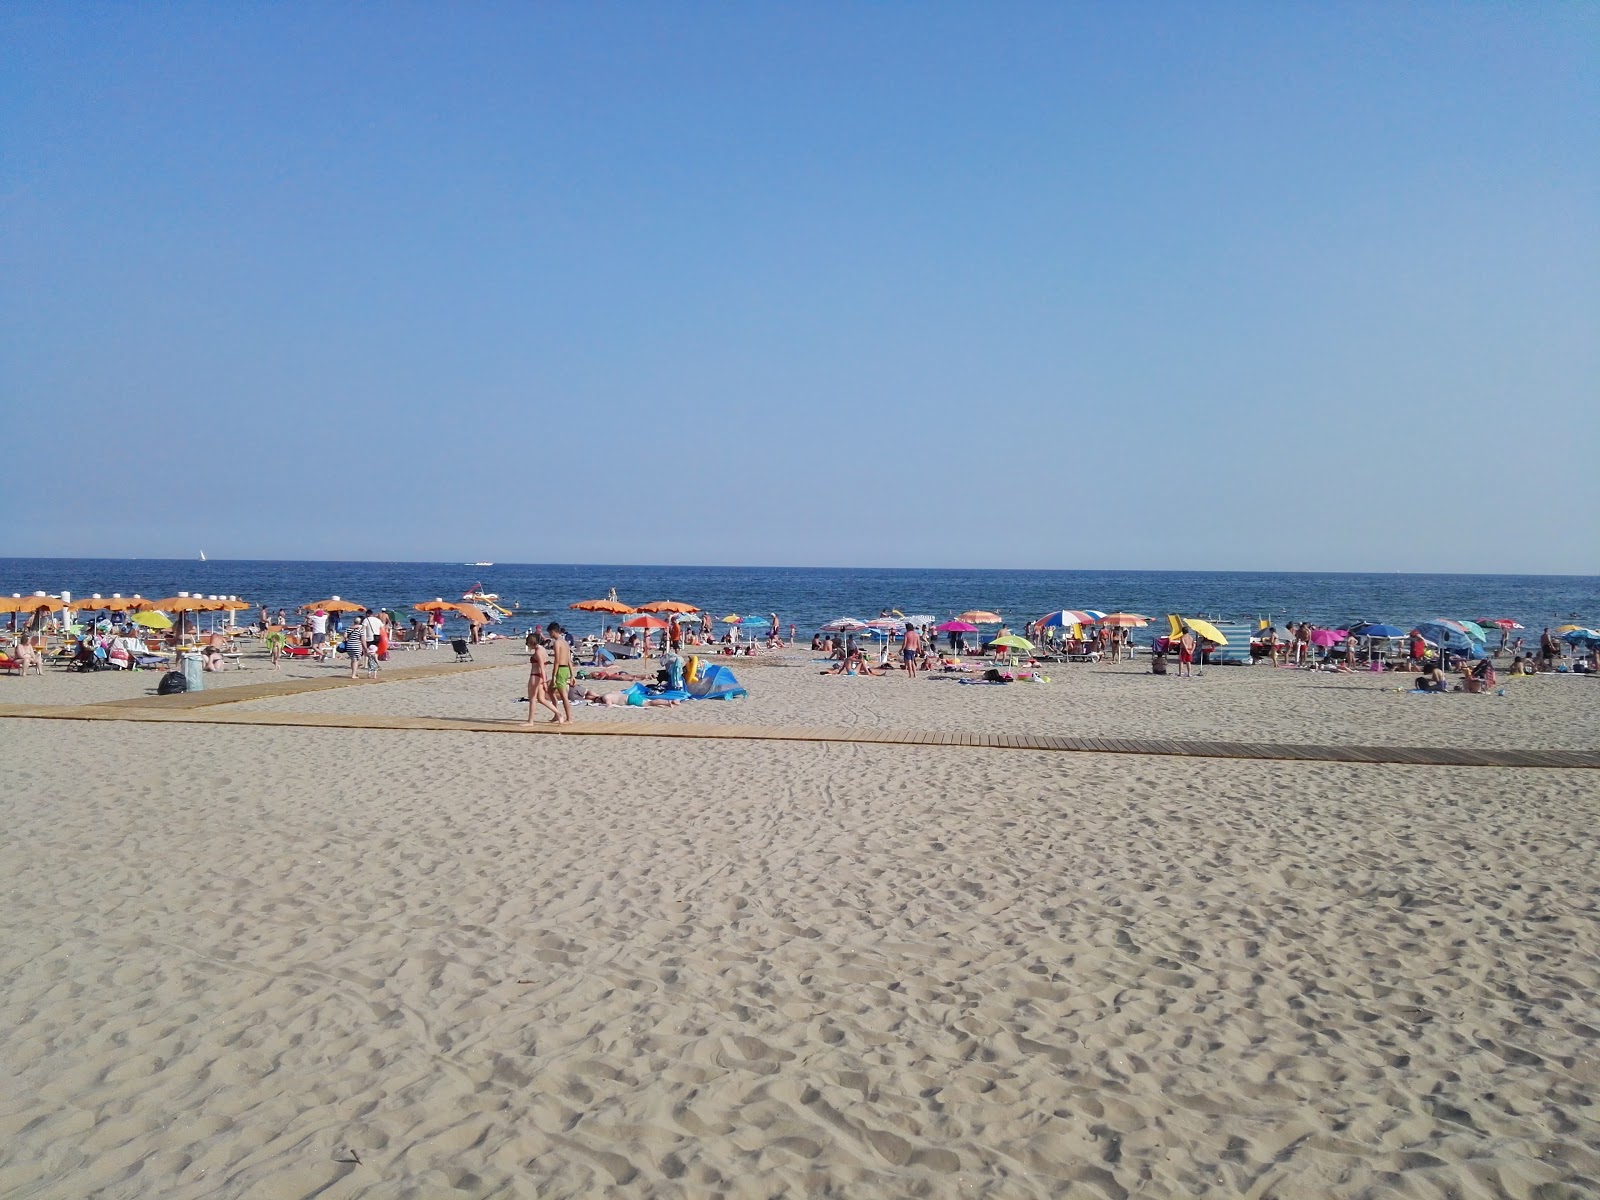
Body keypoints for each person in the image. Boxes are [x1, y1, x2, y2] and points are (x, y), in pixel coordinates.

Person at [523, 633, 560, 724]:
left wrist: (544, 682)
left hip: (536, 676)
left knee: (532, 699)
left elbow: (542, 667)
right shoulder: (542, 649)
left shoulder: (538, 651)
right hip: (540, 676)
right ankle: (558, 714)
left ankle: (530, 721)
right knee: (541, 699)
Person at [546, 621, 574, 724]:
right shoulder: (565, 642)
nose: (549, 635)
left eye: (550, 633)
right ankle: (556, 714)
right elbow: (569, 660)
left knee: (563, 695)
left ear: (553, 632)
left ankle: (569, 718)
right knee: (550, 691)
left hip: (561, 669)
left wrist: (553, 675)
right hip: (565, 668)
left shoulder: (557, 643)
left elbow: (557, 660)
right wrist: (572, 675)